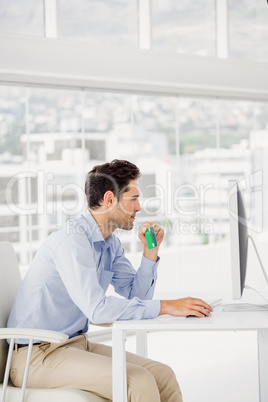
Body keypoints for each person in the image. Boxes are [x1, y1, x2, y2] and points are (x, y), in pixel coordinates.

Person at [8, 159, 212, 402]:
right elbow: (97, 310)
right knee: (138, 381)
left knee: (162, 375)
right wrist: (168, 306)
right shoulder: (73, 241)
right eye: (133, 198)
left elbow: (137, 298)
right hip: (36, 356)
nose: (139, 207)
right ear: (109, 199)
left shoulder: (109, 244)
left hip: (74, 345)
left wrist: (149, 253)